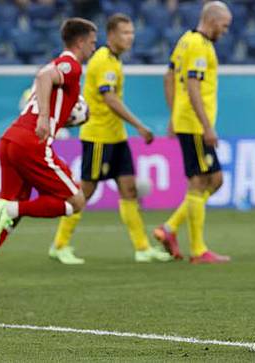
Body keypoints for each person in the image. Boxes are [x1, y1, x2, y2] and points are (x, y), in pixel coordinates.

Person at [0, 18, 97, 291]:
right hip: (32, 142)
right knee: (75, 200)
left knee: (7, 217)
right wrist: (44, 117)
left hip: (11, 139)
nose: (93, 47)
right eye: (92, 42)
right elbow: (43, 77)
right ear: (80, 41)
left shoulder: (62, 69)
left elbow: (47, 87)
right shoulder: (71, 64)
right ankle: (12, 207)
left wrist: (63, 117)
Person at [49, 14, 171, 265]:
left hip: (116, 138)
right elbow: (110, 99)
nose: (130, 37)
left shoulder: (114, 61)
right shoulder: (103, 61)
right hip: (98, 137)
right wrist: (139, 125)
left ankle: (142, 248)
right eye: (125, 32)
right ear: (111, 35)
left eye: (132, 32)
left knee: (129, 190)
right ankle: (59, 245)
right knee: (85, 192)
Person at [155, 1, 232, 264]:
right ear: (212, 21)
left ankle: (170, 228)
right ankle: (198, 250)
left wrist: (173, 114)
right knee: (201, 181)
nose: (225, 31)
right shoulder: (199, 45)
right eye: (224, 25)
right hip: (196, 124)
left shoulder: (185, 40)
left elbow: (167, 77)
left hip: (186, 119)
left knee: (214, 179)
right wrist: (207, 127)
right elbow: (192, 86)